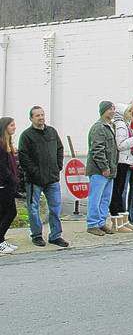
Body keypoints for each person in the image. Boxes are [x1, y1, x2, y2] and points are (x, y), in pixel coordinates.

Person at [17, 106, 69, 248]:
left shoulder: (52, 131)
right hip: (35, 181)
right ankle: (37, 235)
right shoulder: (26, 135)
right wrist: (35, 172)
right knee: (33, 209)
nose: (41, 117)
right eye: (37, 115)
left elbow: (60, 148)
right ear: (31, 118)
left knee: (55, 209)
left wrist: (58, 166)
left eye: (42, 114)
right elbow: (24, 157)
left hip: (52, 178)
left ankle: (55, 235)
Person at [86, 101, 119, 236]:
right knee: (96, 198)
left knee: (105, 198)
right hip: (99, 171)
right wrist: (104, 167)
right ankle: (92, 224)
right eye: (110, 109)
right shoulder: (99, 127)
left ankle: (101, 222)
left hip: (109, 170)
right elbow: (97, 150)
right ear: (103, 111)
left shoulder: (110, 126)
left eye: (113, 109)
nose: (112, 111)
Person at [109, 102, 133, 232]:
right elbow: (120, 145)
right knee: (118, 191)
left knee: (120, 190)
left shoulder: (125, 124)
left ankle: (123, 220)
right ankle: (118, 221)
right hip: (121, 162)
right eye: (128, 111)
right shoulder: (121, 125)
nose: (130, 113)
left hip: (126, 161)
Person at [0, 117, 19, 254]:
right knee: (11, 212)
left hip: (9, 184)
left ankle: (2, 239)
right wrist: (12, 179)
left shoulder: (8, 143)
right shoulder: (1, 145)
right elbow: (2, 167)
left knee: (4, 213)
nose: (14, 127)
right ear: (5, 127)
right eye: (12, 125)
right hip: (3, 185)